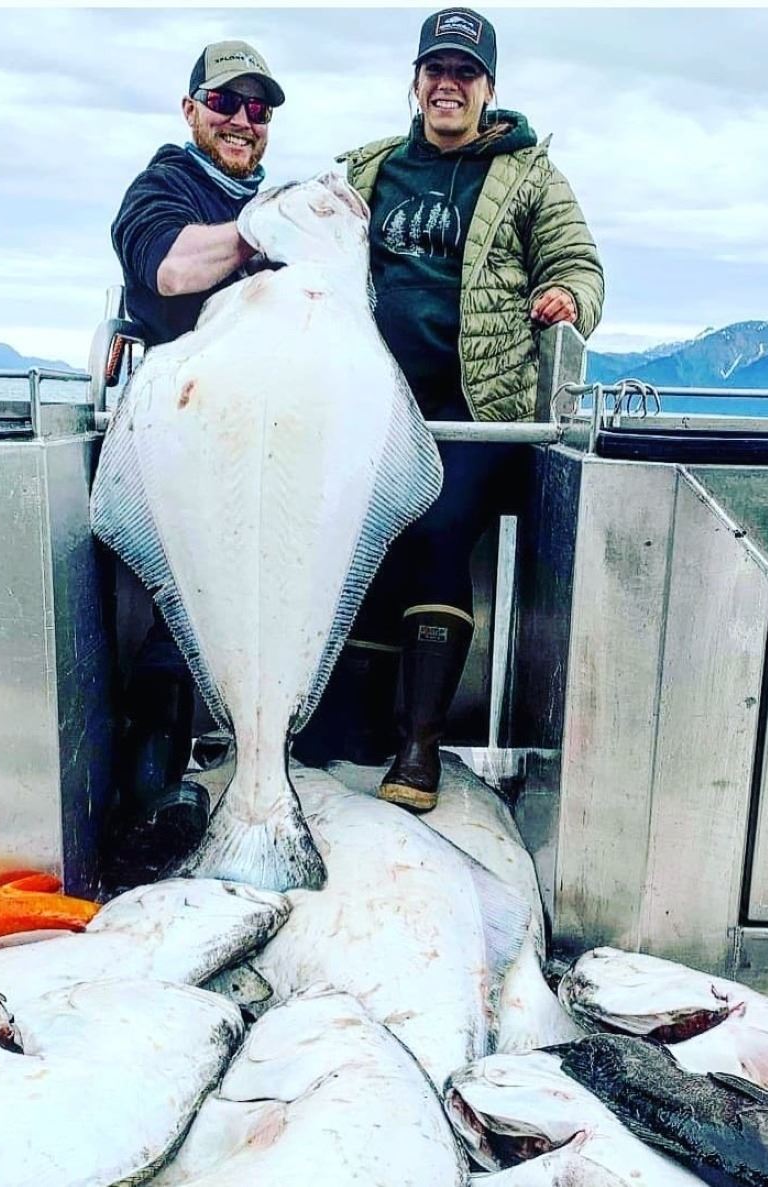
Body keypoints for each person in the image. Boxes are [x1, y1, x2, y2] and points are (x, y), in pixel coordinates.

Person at [295, 7, 604, 813]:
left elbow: (578, 263)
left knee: (435, 529)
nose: (448, 84)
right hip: (371, 405)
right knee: (361, 534)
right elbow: (301, 258)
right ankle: (347, 726)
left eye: (464, 73)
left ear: (487, 88)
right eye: (436, 70)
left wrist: (567, 297)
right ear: (415, 82)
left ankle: (419, 743)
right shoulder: (364, 171)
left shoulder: (529, 174)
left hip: (479, 410)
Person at [104, 40, 286, 878]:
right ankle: (150, 804)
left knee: (268, 613)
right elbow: (172, 269)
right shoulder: (163, 186)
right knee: (180, 613)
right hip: (181, 444)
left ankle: (264, 775)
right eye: (224, 102)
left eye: (258, 108)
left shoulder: (275, 205)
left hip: (266, 446)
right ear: (190, 110)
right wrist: (262, 232)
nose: (243, 120)